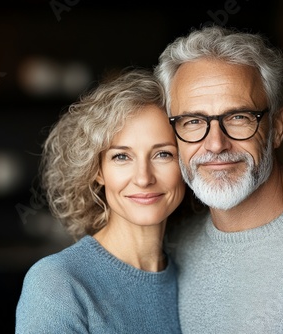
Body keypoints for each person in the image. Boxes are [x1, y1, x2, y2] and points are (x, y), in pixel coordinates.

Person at [154, 25, 283, 333]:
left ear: (276, 129)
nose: (215, 144)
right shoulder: (173, 244)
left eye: (238, 118)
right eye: (193, 121)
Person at [15, 69, 185, 333]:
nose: (143, 178)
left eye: (163, 154)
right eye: (121, 157)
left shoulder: (193, 276)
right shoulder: (57, 283)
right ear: (97, 170)